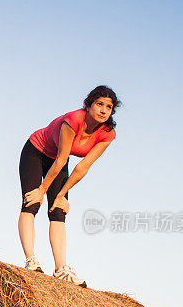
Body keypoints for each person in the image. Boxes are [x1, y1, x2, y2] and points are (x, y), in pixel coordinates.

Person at [18, 85, 121, 287]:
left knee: (58, 210)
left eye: (108, 107)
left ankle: (61, 269)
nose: (103, 110)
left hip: (59, 161)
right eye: (99, 104)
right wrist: (41, 190)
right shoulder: (73, 120)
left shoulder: (108, 133)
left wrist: (61, 195)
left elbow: (83, 167)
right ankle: (31, 261)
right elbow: (60, 159)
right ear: (88, 105)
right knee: (32, 202)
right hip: (36, 151)